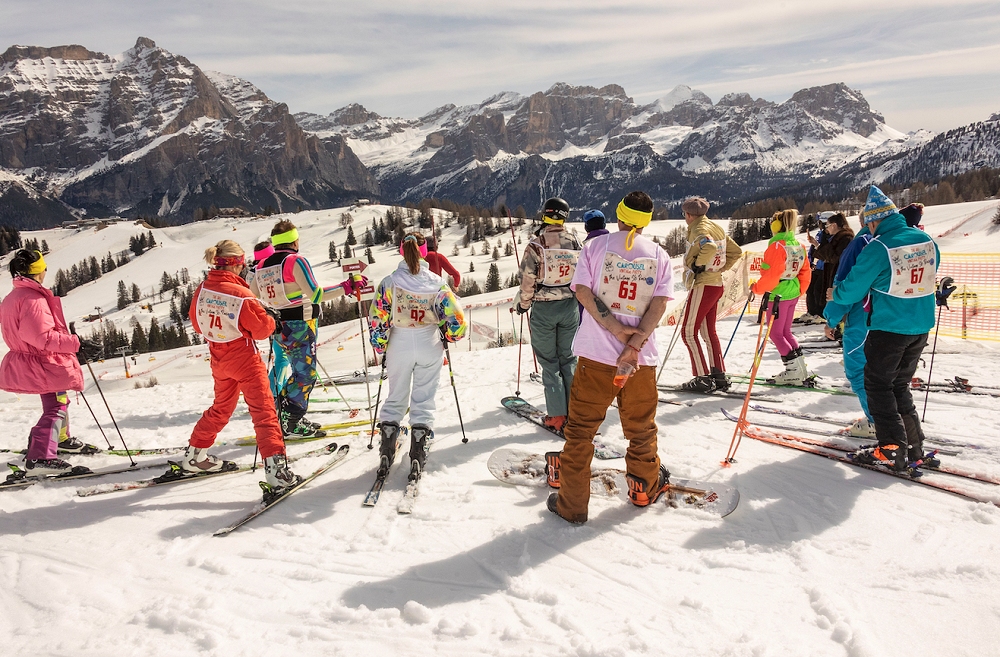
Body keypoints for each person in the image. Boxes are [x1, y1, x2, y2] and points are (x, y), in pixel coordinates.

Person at [547, 191, 675, 524]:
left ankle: (572, 505)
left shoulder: (595, 247)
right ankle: (644, 486)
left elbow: (583, 291)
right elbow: (659, 305)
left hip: (595, 358)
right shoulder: (660, 256)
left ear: (619, 215)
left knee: (581, 432)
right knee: (641, 430)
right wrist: (633, 344)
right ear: (646, 222)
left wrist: (613, 328)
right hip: (640, 361)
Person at [832, 186, 941, 472]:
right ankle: (914, 446)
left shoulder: (879, 246)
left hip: (889, 326)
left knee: (878, 385)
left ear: (874, 220)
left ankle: (891, 447)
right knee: (899, 386)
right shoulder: (925, 239)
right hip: (920, 326)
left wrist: (835, 296)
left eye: (868, 222)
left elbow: (852, 288)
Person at [186, 240, 301, 497]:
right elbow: (261, 330)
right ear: (237, 264)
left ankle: (195, 453)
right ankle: (276, 471)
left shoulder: (203, 288)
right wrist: (271, 320)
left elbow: (196, 322)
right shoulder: (241, 294)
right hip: (244, 358)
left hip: (218, 356)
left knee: (221, 407)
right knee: (264, 412)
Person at [250, 220, 366, 438]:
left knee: (298, 370)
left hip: (277, 327)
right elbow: (316, 295)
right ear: (294, 240)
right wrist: (346, 287)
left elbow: (254, 293)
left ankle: (286, 414)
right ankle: (290, 420)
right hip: (300, 325)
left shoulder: (263, 266)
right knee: (306, 374)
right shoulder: (295, 260)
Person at [369, 233, 466, 480]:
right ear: (424, 252)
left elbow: (378, 317)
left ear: (402, 251)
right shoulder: (436, 282)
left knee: (396, 394)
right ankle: (419, 446)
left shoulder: (390, 282)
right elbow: (457, 321)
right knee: (423, 396)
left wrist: (380, 345)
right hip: (428, 342)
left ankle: (387, 445)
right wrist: (449, 334)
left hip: (399, 343)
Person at [0, 250, 97, 474]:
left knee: (58, 400)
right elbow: (40, 337)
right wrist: (76, 343)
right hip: (42, 363)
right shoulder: (33, 299)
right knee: (56, 407)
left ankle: (60, 439)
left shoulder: (14, 296)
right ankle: (40, 457)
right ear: (40, 272)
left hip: (36, 360)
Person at [513, 197, 583, 432]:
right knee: (569, 358)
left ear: (545, 215)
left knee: (549, 362)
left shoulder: (536, 244)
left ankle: (556, 415)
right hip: (570, 306)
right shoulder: (574, 241)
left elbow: (528, 280)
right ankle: (576, 411)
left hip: (544, 307)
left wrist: (523, 304)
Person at [678, 196, 743, 392]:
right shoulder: (716, 227)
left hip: (703, 284)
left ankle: (701, 376)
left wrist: (699, 266)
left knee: (688, 332)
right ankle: (718, 373)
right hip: (715, 284)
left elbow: (709, 246)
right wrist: (720, 268)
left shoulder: (699, 229)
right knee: (708, 332)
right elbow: (736, 251)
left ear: (689, 215)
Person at [823, 213, 875, 437]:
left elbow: (843, 288)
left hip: (862, 316)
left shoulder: (859, 246)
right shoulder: (892, 241)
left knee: (858, 370)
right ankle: (887, 415)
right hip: (892, 317)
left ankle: (876, 421)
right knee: (884, 370)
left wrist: (831, 320)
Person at [750, 209, 812, 385]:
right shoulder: (798, 245)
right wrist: (800, 290)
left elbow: (771, 276)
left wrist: (756, 288)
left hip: (778, 295)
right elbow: (805, 271)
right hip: (793, 291)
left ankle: (793, 371)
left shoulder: (777, 247)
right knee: (785, 332)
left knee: (776, 334)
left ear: (776, 225)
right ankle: (800, 368)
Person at [809, 213, 854, 300]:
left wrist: (821, 247)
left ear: (833, 225)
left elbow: (834, 257)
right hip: (832, 274)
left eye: (827, 225)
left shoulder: (845, 239)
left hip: (838, 276)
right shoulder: (838, 238)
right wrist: (816, 245)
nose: (826, 228)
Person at [802, 214, 830, 323]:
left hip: (826, 268)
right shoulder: (820, 234)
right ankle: (812, 311)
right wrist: (810, 261)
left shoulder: (831, 237)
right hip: (817, 266)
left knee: (819, 289)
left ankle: (821, 314)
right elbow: (812, 250)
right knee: (811, 288)